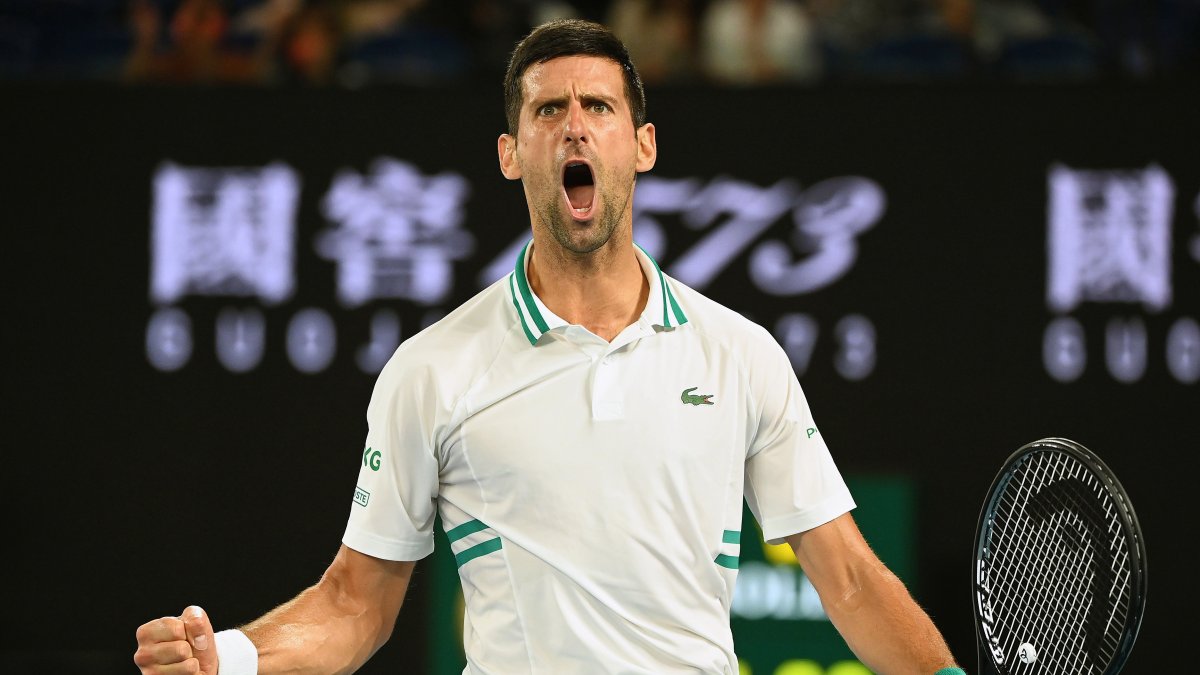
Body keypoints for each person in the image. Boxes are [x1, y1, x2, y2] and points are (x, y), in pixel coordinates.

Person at [134, 18, 964, 675]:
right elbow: (356, 603)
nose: (575, 129)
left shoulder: (741, 356)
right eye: (547, 111)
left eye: (598, 108)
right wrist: (229, 655)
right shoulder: (432, 370)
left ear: (642, 145)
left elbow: (848, 579)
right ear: (510, 154)